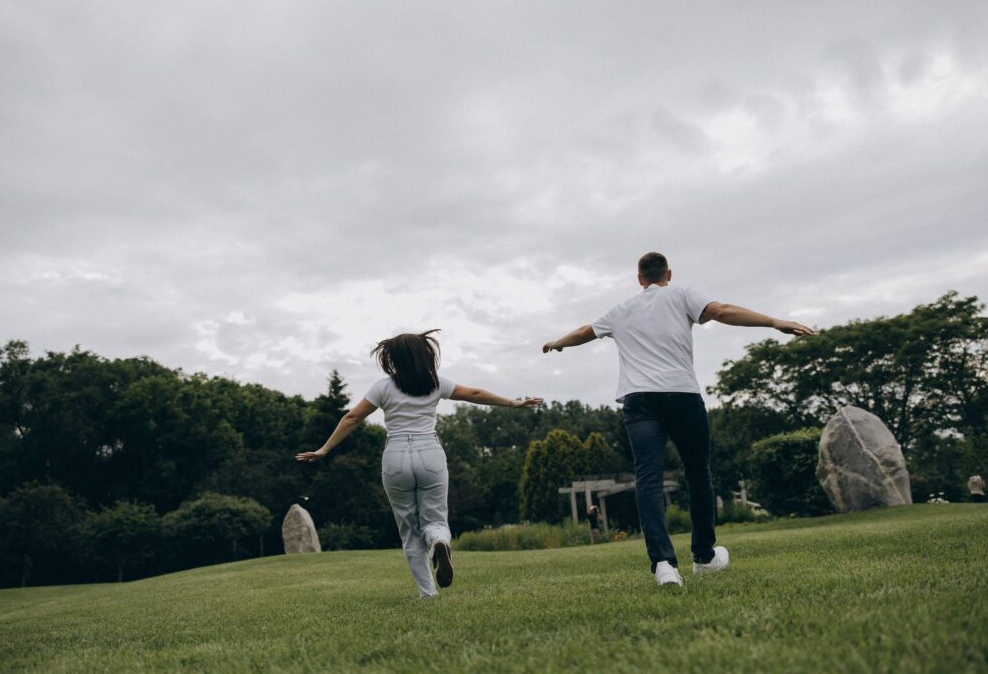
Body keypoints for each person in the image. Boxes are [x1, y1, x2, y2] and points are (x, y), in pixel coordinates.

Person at [541, 252, 814, 587]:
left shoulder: (621, 310)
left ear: (639, 279)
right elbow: (721, 311)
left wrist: (558, 343)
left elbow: (585, 331)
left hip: (639, 401)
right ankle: (703, 556)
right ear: (668, 274)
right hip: (682, 395)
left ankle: (663, 565)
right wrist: (773, 322)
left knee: (648, 478)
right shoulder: (682, 294)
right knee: (698, 473)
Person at [297, 329, 541, 598]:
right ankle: (439, 541)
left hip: (396, 457)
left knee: (409, 528)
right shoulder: (435, 383)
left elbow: (352, 418)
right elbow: (474, 393)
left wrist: (324, 449)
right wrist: (514, 403)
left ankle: (428, 593)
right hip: (430, 454)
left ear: (393, 359)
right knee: (435, 517)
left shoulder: (383, 387)